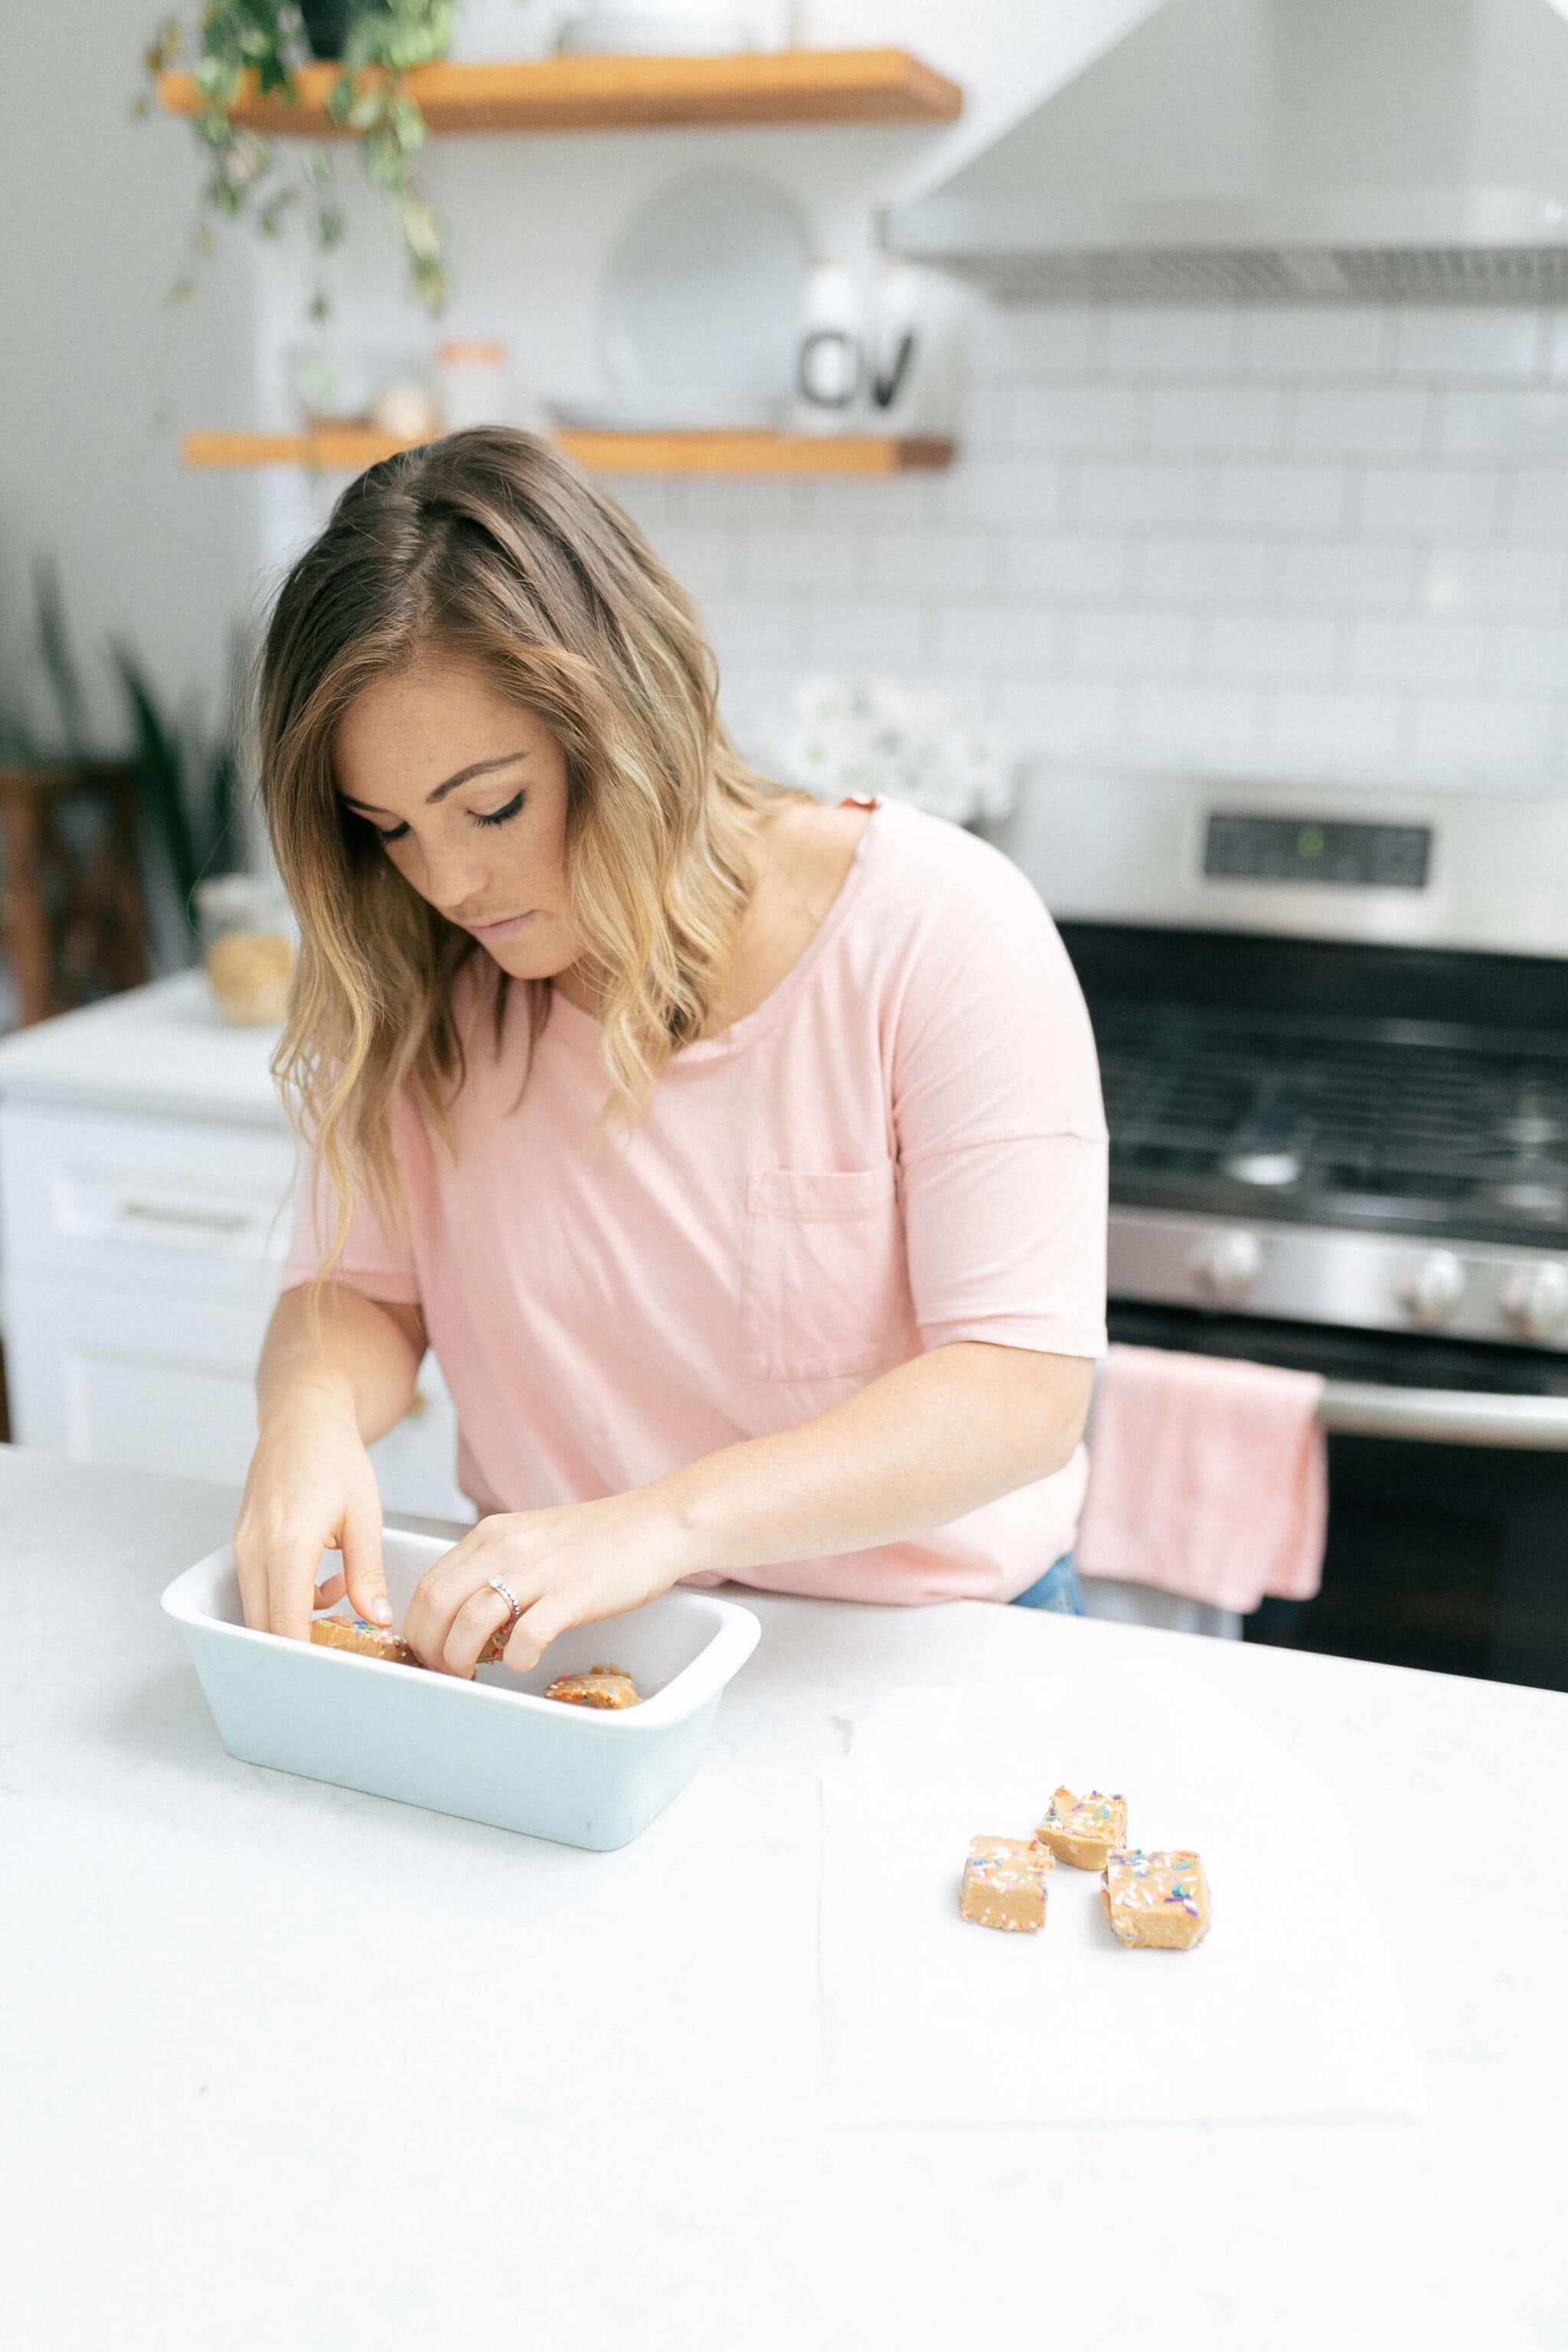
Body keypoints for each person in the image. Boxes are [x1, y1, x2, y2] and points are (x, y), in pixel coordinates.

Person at [235, 428, 1107, 1677]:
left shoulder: (936, 928)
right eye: (389, 830)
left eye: (492, 807)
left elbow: (1019, 1392)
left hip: (928, 1660)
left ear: (630, 719)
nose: (448, 881)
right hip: (575, 1650)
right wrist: (306, 1417)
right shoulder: (429, 983)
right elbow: (364, 1294)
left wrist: (659, 1523)